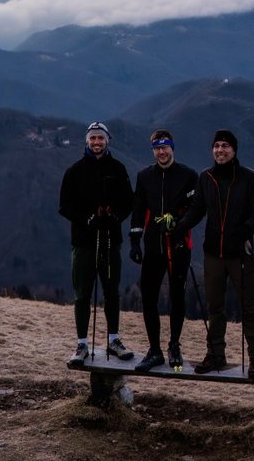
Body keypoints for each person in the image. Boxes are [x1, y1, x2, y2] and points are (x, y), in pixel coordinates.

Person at [177, 129, 254, 379]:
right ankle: (215, 354)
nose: (220, 150)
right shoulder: (206, 178)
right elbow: (197, 210)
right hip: (213, 253)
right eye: (216, 146)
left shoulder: (249, 179)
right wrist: (179, 227)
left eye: (225, 146)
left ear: (234, 150)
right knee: (214, 307)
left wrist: (246, 230)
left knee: (249, 307)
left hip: (240, 253)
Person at [58, 121, 134, 365]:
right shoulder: (75, 171)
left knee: (112, 292)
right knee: (82, 294)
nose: (97, 142)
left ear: (107, 141)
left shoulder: (118, 168)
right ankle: (82, 344)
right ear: (87, 141)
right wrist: (87, 220)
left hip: (112, 240)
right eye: (93, 138)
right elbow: (65, 206)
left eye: (101, 138)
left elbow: (128, 202)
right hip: (83, 242)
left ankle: (113, 340)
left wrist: (114, 218)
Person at [128, 128, 197, 372]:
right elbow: (138, 209)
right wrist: (135, 241)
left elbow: (195, 209)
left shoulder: (188, 175)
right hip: (153, 246)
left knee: (177, 296)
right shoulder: (145, 176)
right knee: (148, 297)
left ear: (172, 148)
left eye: (165, 146)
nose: (161, 151)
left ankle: (174, 345)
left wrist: (179, 224)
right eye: (157, 148)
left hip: (179, 245)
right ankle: (154, 350)